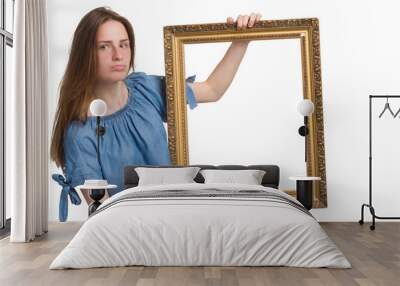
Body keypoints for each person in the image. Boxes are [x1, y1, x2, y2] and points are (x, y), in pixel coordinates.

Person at [49, 6, 262, 221]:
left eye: (124, 44)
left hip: (178, 211)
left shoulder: (145, 88)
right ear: (85, 54)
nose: (118, 55)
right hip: (132, 226)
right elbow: (103, 210)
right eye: (104, 47)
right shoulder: (80, 133)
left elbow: (212, 90)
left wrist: (241, 41)